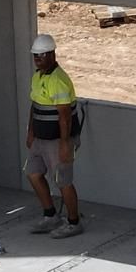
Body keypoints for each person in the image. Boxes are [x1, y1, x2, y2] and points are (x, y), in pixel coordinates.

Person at [25, 32, 84, 237]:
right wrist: (31, 132)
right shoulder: (37, 76)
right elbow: (34, 106)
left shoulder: (58, 80)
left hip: (58, 140)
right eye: (35, 56)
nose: (37, 59)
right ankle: (50, 216)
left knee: (63, 181)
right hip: (40, 139)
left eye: (41, 55)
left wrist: (65, 144)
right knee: (33, 173)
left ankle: (74, 222)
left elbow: (65, 116)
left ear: (52, 54)